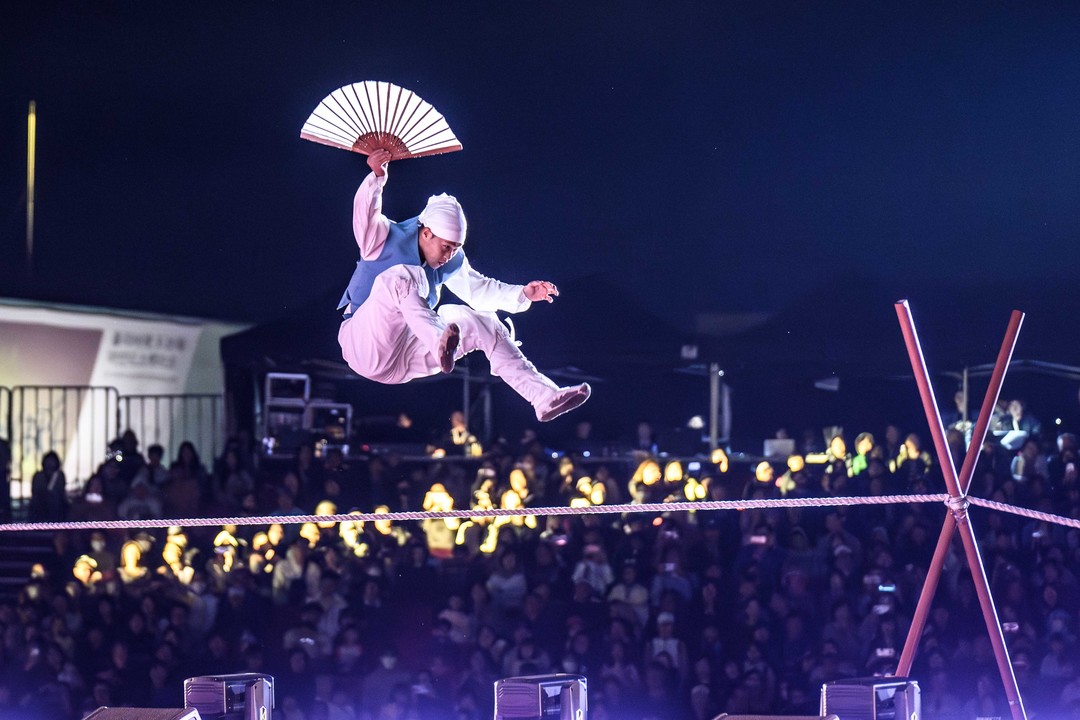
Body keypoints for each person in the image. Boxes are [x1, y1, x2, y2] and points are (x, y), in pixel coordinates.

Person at [336, 148, 590, 422]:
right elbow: (365, 216)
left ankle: (543, 397)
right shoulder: (383, 238)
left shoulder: (450, 261)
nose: (449, 256)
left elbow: (479, 290)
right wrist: (376, 178)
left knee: (485, 322)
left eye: (456, 249)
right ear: (426, 233)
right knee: (403, 276)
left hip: (407, 358)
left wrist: (523, 293)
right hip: (364, 345)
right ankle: (439, 343)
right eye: (446, 247)